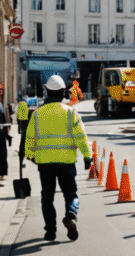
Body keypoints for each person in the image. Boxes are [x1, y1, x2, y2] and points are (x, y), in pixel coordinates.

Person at [24, 74, 92, 242]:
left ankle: (50, 232)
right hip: (66, 162)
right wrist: (87, 156)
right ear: (63, 92)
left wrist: (30, 155)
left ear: (47, 91)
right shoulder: (71, 113)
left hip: (45, 163)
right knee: (71, 194)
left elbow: (29, 138)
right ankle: (71, 215)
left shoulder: (38, 114)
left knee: (47, 196)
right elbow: (80, 137)